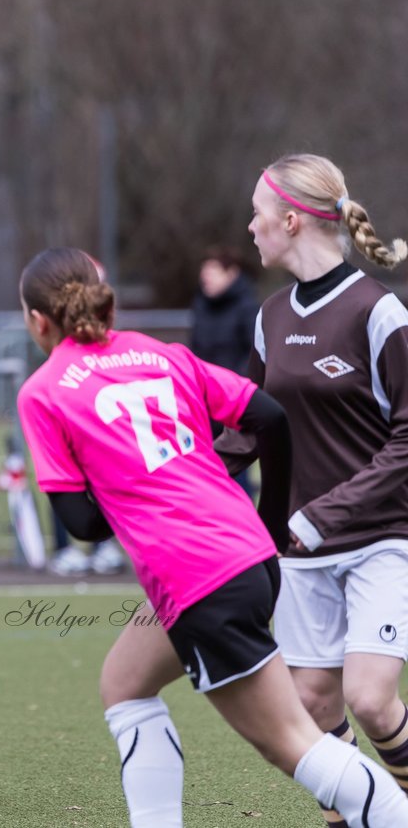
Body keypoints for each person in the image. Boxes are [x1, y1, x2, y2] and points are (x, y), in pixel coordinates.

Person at [16, 246, 408, 827]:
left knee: (293, 742)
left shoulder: (44, 391)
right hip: (248, 554)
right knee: (125, 684)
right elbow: (268, 417)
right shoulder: (158, 352)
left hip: (196, 577)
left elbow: (82, 527)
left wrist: (121, 482)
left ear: (37, 320)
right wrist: (270, 519)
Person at [225, 153, 408, 827]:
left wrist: (327, 513)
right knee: (314, 705)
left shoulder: (379, 312)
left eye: (258, 214)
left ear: (292, 221)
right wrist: (186, 479)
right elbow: (251, 427)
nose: (250, 228)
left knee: (370, 697)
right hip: (299, 549)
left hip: (381, 538)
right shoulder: (269, 316)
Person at [191, 244, 260, 497]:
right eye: (204, 271)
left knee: (236, 471)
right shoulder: (200, 306)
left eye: (212, 270)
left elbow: (253, 356)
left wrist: (230, 390)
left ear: (231, 274)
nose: (205, 276)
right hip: (203, 403)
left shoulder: (247, 308)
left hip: (233, 404)